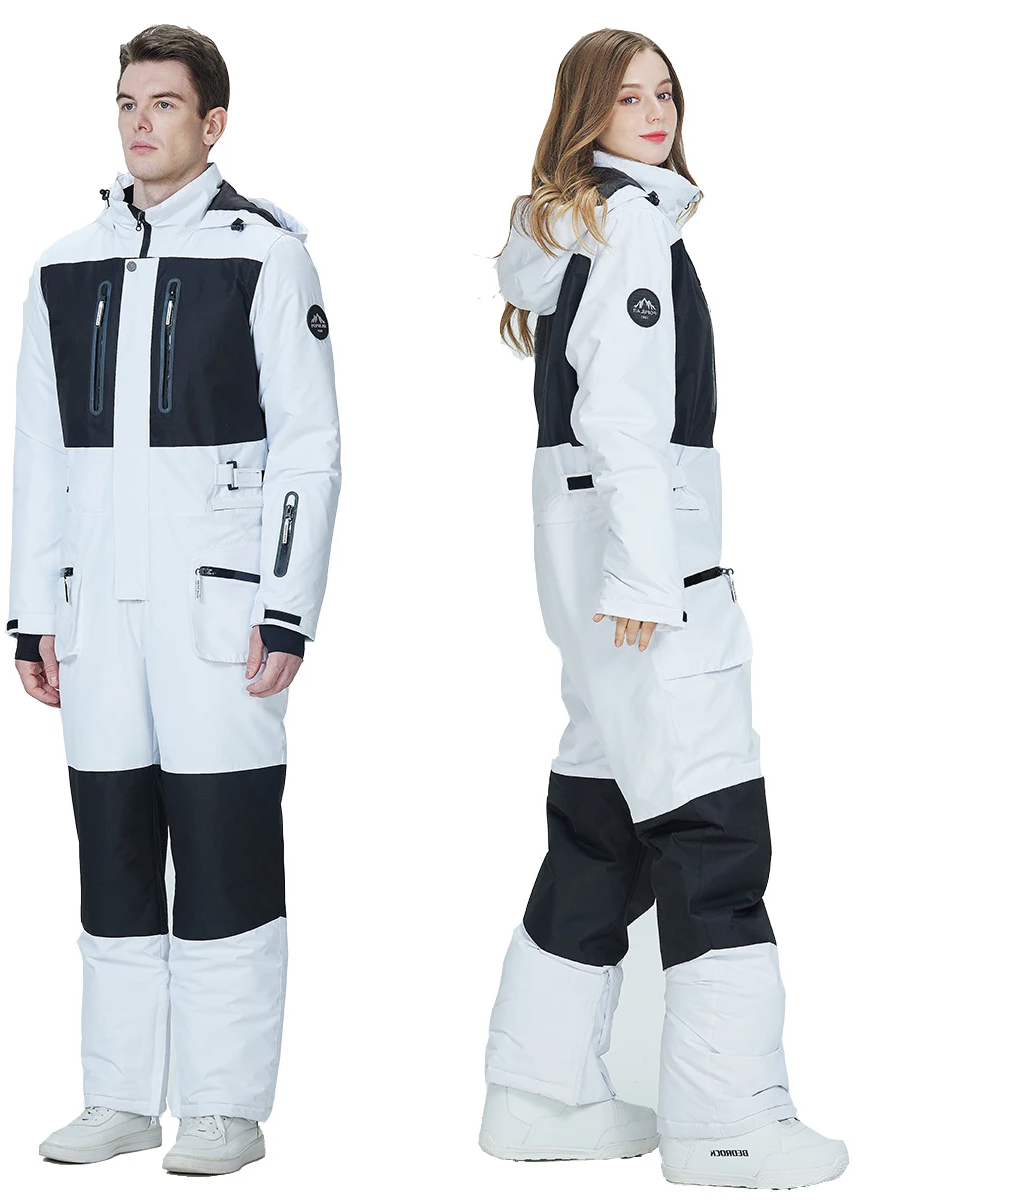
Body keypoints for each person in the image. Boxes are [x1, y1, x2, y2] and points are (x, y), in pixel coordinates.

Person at [478, 29, 847, 1189]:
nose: (655, 112)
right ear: (584, 111)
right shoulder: (631, 223)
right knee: (712, 827)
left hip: (587, 566)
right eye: (627, 94)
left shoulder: (577, 230)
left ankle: (539, 1096)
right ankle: (729, 1121)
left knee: (601, 828)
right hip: (649, 572)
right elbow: (626, 416)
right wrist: (651, 581)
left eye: (666, 93)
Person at [7, 24, 340, 1175]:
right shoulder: (64, 268)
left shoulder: (265, 256)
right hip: (98, 618)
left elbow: (310, 448)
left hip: (219, 620)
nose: (140, 122)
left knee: (223, 856)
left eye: (163, 103)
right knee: (111, 859)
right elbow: (40, 454)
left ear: (213, 123)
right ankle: (117, 1098)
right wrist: (33, 610)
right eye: (127, 102)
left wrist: (287, 606)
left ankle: (223, 1109)